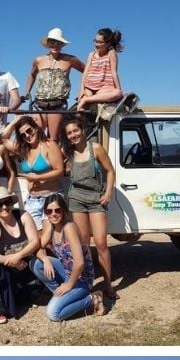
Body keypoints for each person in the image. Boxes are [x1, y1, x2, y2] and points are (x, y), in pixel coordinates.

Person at [60, 116, 116, 297]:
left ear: (82, 130)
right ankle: (87, 284)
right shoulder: (67, 152)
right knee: (84, 244)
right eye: (69, 133)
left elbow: (110, 171)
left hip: (96, 199)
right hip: (76, 199)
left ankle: (108, 285)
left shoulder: (96, 148)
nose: (73, 135)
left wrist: (108, 193)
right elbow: (50, 158)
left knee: (101, 243)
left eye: (76, 130)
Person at [30, 193, 106, 320]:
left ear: (64, 211)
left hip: (82, 278)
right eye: (49, 211)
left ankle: (93, 299)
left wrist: (69, 284)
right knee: (36, 264)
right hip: (67, 272)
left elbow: (80, 262)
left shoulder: (69, 227)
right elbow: (37, 247)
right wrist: (45, 260)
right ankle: (60, 294)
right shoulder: (51, 226)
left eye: (57, 210)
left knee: (53, 314)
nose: (53, 214)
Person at [0, 186, 39, 324]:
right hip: (3, 272)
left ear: (12, 203)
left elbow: (35, 241)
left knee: (32, 294)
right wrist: (11, 260)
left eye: (7, 202)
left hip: (24, 268)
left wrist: (18, 256)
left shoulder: (23, 215)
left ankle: (10, 298)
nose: (4, 207)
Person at [24, 28, 85, 140]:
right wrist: (27, 91)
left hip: (57, 105)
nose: (55, 45)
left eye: (58, 42)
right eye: (52, 42)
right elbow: (31, 75)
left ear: (62, 45)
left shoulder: (70, 59)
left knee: (53, 139)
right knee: (36, 137)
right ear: (48, 44)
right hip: (39, 105)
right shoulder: (39, 60)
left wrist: (83, 92)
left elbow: (86, 71)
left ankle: (53, 157)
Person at [5, 118, 64, 229]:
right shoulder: (22, 149)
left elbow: (60, 171)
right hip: (32, 199)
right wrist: (15, 120)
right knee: (36, 237)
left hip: (51, 196)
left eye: (29, 130)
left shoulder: (50, 145)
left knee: (49, 235)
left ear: (36, 128)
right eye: (23, 135)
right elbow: (2, 139)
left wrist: (37, 177)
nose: (27, 135)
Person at [75, 28, 124, 113]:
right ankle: (87, 99)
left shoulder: (111, 53)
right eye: (95, 41)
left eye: (100, 42)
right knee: (81, 109)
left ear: (108, 43)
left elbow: (114, 72)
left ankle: (87, 99)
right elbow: (85, 73)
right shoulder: (91, 54)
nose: (96, 44)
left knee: (118, 93)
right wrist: (81, 90)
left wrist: (119, 89)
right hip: (89, 86)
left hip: (103, 87)